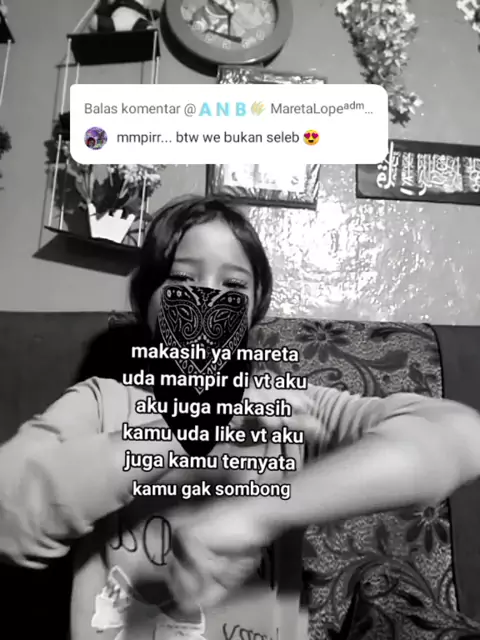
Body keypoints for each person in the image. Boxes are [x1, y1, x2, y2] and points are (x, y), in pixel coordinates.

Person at [1, 194, 480, 640]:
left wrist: (259, 515)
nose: (208, 301)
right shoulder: (102, 401)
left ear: (253, 309)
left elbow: (458, 436)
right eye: (182, 280)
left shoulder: (285, 408)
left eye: (233, 285)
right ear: (147, 304)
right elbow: (9, 517)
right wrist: (185, 428)